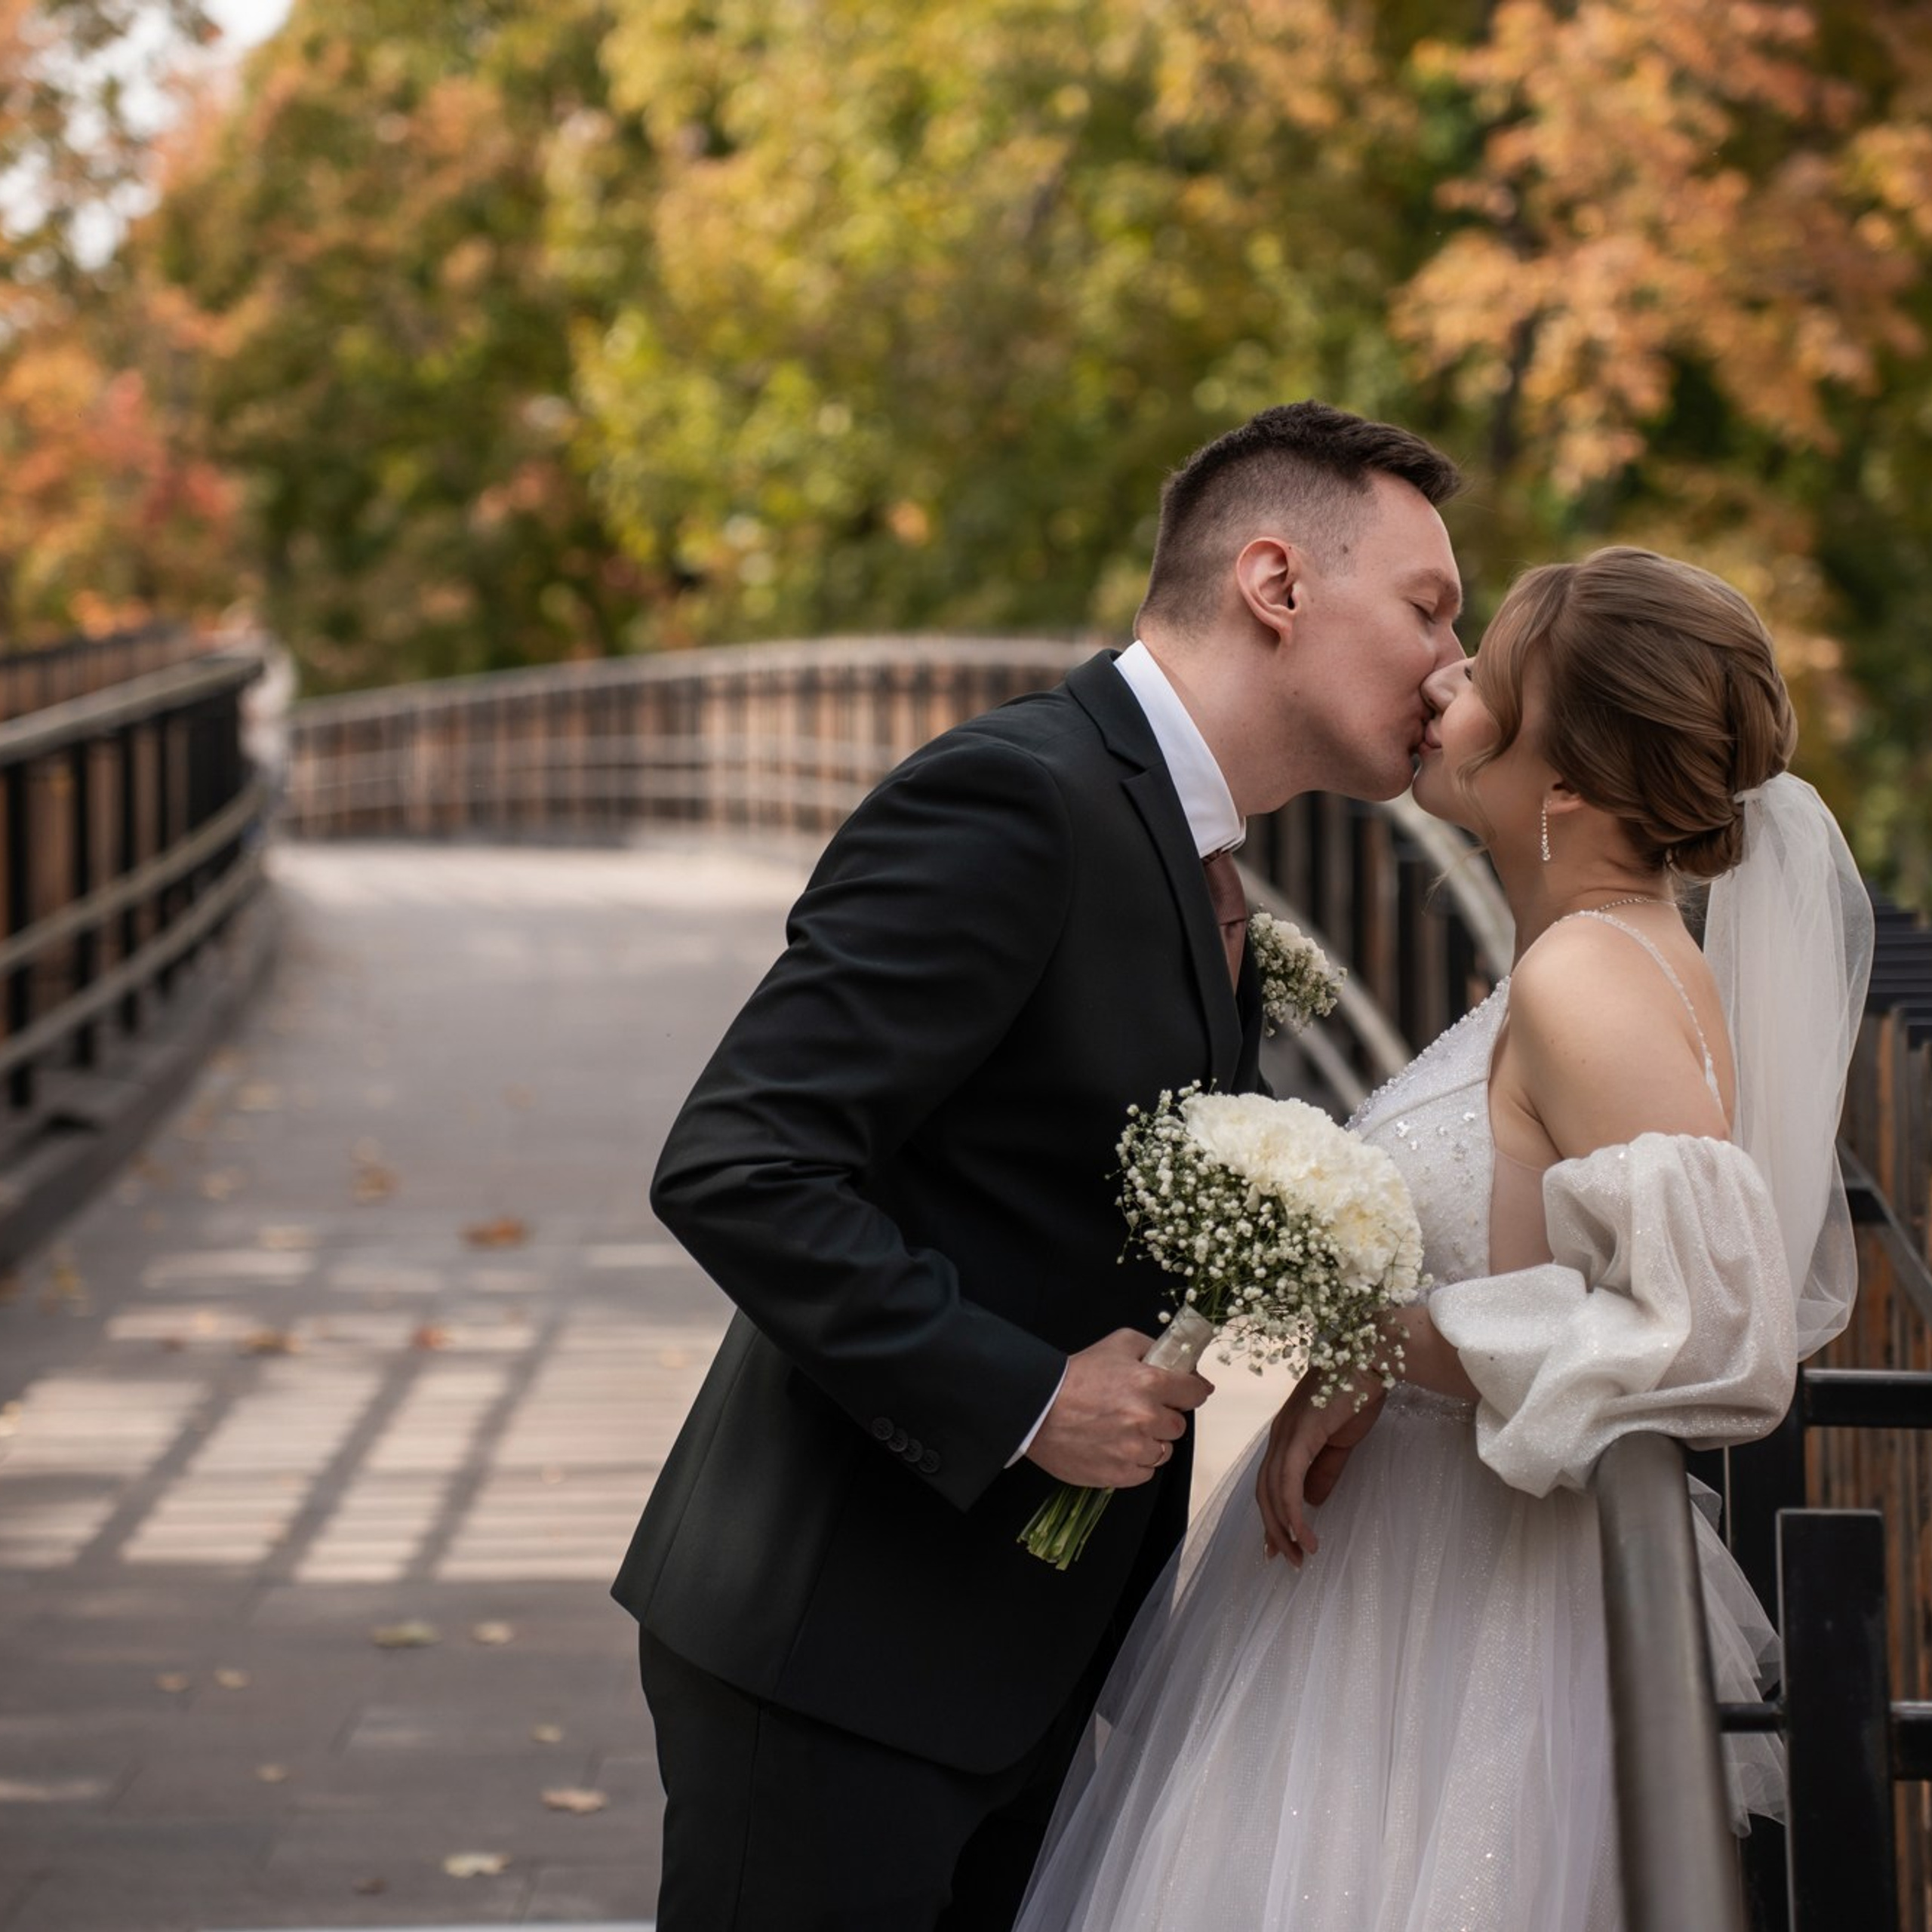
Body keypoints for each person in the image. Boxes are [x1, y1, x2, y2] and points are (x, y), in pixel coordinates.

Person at [611, 401, 1468, 1929]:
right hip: (840, 1648)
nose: (1452, 670)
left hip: (1018, 1657)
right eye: (1428, 610)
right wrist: (1024, 1396)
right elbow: (740, 1160)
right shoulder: (1019, 798)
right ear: (1275, 583)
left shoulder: (1196, 850)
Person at [1014, 546, 1874, 1930]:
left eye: (1483, 676)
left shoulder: (1589, 977)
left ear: (1568, 780)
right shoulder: (1586, 954)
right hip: (1401, 1555)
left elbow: (1717, 1335)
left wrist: (1382, 1341)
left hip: (1456, 1598)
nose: (1440, 682)